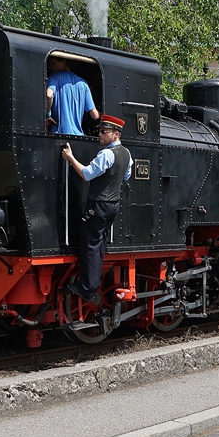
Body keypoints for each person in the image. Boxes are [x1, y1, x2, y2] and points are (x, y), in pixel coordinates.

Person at [60, 114, 132, 305]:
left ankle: (87, 288)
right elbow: (126, 176)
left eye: (103, 132)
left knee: (90, 246)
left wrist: (70, 158)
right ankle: (94, 279)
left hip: (98, 204)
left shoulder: (106, 154)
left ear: (115, 134)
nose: (99, 134)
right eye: (99, 131)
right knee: (99, 245)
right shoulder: (126, 153)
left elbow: (86, 174)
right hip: (113, 205)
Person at [46, 55, 98, 136]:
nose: (50, 67)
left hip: (58, 134)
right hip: (78, 136)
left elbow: (49, 95)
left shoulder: (54, 77)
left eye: (53, 63)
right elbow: (94, 115)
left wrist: (48, 114)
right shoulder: (83, 84)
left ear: (63, 62)